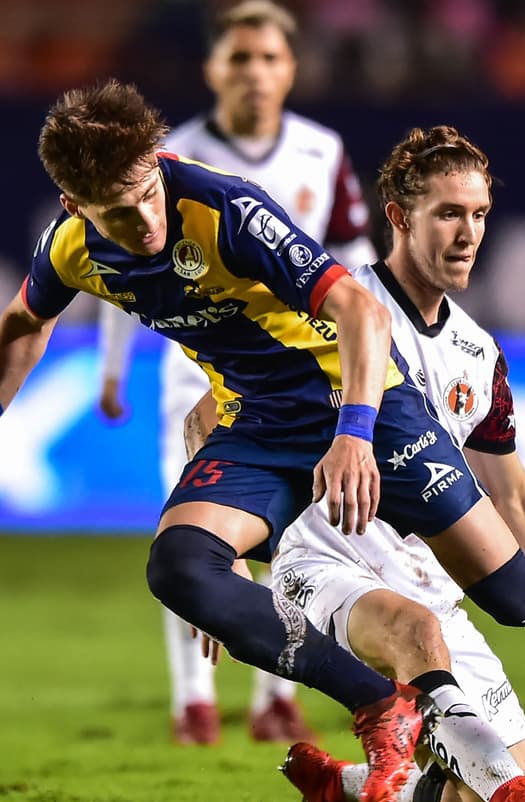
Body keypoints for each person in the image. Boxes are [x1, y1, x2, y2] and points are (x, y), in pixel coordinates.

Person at [0, 77, 525, 802]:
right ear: (74, 206)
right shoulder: (72, 249)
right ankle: (377, 707)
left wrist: (356, 434)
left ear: (158, 163)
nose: (143, 219)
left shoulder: (224, 209)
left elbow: (359, 312)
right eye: (117, 209)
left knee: (512, 592)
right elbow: (25, 319)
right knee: (179, 567)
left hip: (369, 400)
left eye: (147, 192)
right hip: (262, 422)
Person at [183, 126, 525, 802]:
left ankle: (341, 782)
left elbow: (512, 498)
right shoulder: (329, 303)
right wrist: (222, 559)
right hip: (321, 559)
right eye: (449, 213)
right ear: (398, 216)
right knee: (416, 637)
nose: (468, 233)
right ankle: (485, 781)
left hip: (430, 576)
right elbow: (207, 418)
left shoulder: (479, 354)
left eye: (479, 214)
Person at [97, 0, 378, 747]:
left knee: (289, 537)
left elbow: (356, 266)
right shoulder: (169, 154)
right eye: (240, 58)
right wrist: (113, 368)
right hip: (196, 374)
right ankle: (194, 696)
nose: (255, 73)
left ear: (291, 69)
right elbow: (119, 265)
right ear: (212, 68)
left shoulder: (322, 149)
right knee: (188, 533)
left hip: (293, 376)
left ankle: (276, 694)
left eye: (269, 58)